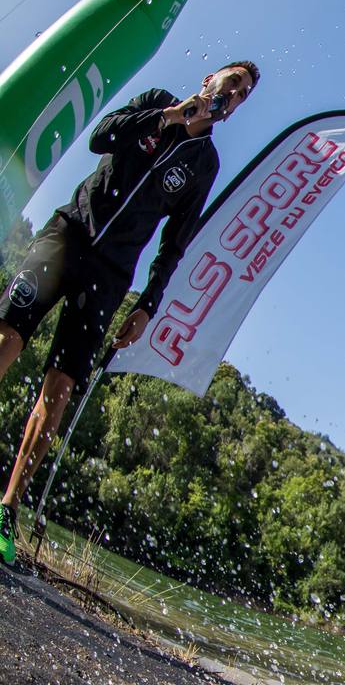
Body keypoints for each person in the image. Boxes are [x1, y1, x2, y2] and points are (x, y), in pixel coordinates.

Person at [0, 61, 258, 563]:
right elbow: (101, 138)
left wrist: (147, 305)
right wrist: (168, 117)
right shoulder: (156, 102)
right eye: (232, 82)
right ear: (208, 80)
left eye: (244, 94)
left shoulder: (204, 164)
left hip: (111, 273)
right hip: (68, 235)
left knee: (61, 387)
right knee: (8, 337)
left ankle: (7, 506)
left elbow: (175, 243)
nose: (235, 94)